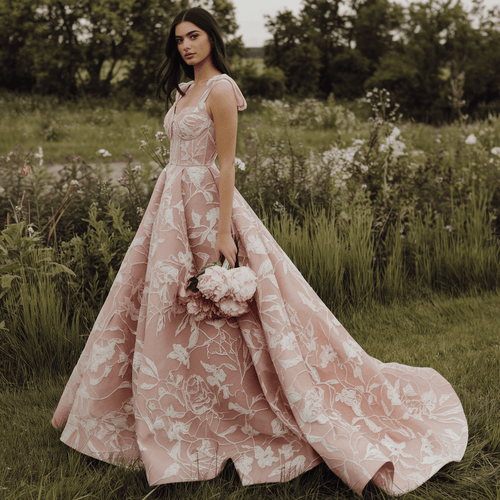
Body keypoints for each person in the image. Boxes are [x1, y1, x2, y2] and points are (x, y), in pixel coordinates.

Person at [52, 7, 468, 496]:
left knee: (226, 312)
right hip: (170, 209)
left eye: (195, 36)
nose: (186, 46)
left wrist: (224, 232)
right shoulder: (182, 92)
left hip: (209, 207)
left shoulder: (221, 89)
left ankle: (240, 407)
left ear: (212, 39)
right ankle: (175, 406)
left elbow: (225, 165)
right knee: (160, 305)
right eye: (179, 39)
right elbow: (178, 158)